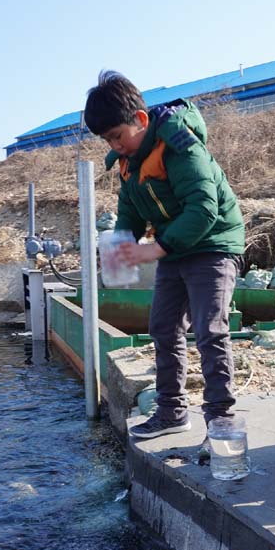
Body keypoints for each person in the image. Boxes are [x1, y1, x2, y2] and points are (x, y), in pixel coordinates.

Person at [84, 71, 245, 440]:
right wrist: (123, 243)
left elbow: (204, 208)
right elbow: (130, 210)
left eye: (117, 136)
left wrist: (156, 249)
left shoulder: (180, 144)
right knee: (163, 326)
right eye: (107, 139)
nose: (114, 145)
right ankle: (172, 411)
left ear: (140, 120)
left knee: (210, 329)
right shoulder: (129, 161)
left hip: (214, 243)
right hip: (175, 246)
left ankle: (221, 422)